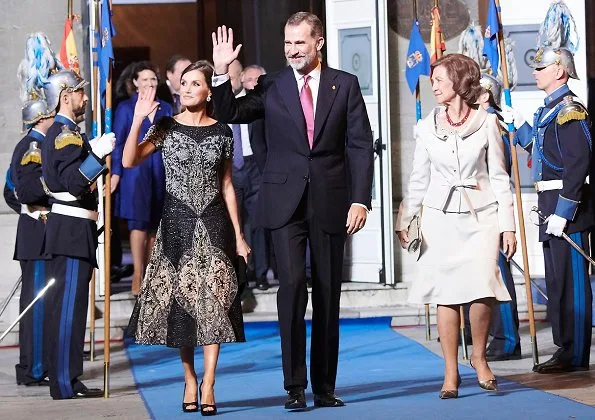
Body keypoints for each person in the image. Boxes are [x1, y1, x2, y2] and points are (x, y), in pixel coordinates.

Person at [211, 11, 374, 409]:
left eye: (299, 42)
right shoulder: (272, 86)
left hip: (332, 201)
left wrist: (360, 198)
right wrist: (220, 72)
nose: (291, 50)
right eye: (287, 43)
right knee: (292, 290)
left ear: (318, 42)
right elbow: (228, 113)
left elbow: (359, 145)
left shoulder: (345, 85)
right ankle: (295, 386)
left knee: (328, 292)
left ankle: (324, 386)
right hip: (284, 202)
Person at [125, 60, 249, 415]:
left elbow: (227, 185)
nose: (188, 88)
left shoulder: (223, 131)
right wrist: (137, 120)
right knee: (183, 306)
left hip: (214, 224)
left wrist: (239, 235)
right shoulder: (165, 127)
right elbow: (130, 159)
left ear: (209, 90)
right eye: (184, 83)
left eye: (196, 83)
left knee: (213, 303)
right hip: (176, 224)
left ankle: (209, 382)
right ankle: (190, 377)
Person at [396, 54, 517, 399]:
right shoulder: (425, 126)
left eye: (438, 79)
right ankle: (450, 371)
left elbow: (499, 178)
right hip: (439, 218)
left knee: (483, 287)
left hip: (481, 217)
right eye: (432, 80)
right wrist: (406, 218)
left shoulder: (487, 123)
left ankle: (479, 358)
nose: (432, 84)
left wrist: (508, 227)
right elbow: (419, 178)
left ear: (459, 84)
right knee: (446, 294)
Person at [510, 47, 593, 373]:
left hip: (566, 211)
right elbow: (539, 151)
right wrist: (511, 123)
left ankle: (574, 353)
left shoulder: (570, 110)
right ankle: (564, 347)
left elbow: (578, 163)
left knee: (572, 285)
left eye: (541, 67)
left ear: (560, 71)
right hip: (549, 207)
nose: (535, 72)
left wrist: (564, 210)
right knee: (557, 283)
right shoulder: (548, 112)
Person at [41, 69, 115, 399]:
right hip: (70, 229)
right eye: (80, 92)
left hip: (76, 229)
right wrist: (96, 154)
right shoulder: (63, 134)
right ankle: (62, 382)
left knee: (74, 308)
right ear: (65, 96)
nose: (85, 98)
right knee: (68, 309)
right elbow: (72, 183)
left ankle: (69, 377)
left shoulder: (70, 132)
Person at [112, 61, 172, 295]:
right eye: (144, 79)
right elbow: (118, 143)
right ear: (135, 83)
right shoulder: (126, 108)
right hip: (135, 171)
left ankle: (151, 273)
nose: (149, 83)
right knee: (138, 222)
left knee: (156, 223)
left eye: (153, 79)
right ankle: (138, 272)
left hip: (161, 169)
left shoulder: (166, 107)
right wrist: (116, 172)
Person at [9, 93, 54, 386]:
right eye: (51, 115)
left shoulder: (29, 145)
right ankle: (35, 368)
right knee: (37, 307)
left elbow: (8, 190)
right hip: (38, 237)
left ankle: (38, 363)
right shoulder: (33, 147)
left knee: (43, 304)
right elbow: (21, 191)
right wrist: (37, 211)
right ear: (41, 119)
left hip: (40, 235)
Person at [476, 74, 521, 361]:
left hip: (492, 207)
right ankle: (494, 334)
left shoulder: (494, 122)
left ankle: (507, 339)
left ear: (485, 96)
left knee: (499, 275)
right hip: (478, 210)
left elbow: (499, 172)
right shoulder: (479, 122)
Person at [228, 61, 269, 291]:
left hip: (255, 166)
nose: (232, 81)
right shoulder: (220, 104)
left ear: (242, 76)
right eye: (229, 77)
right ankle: (240, 277)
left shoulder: (254, 101)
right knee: (236, 226)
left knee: (259, 223)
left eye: (235, 77)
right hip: (230, 168)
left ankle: (261, 274)